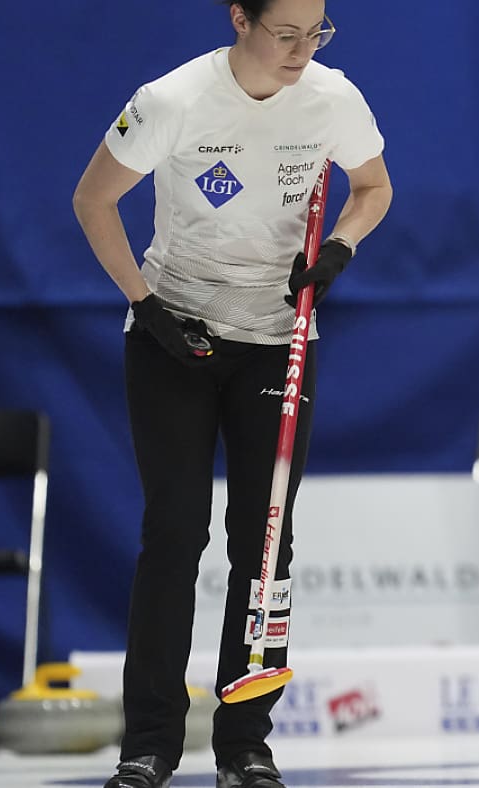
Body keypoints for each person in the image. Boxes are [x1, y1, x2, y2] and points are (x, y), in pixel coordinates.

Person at [71, 1, 391, 787]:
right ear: (240, 18)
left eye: (317, 32)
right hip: (173, 336)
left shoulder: (333, 97)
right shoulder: (172, 99)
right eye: (286, 33)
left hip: (278, 340)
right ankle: (149, 743)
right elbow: (93, 199)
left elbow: (372, 186)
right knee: (174, 534)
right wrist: (146, 306)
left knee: (266, 540)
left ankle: (245, 744)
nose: (303, 49)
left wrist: (340, 248)